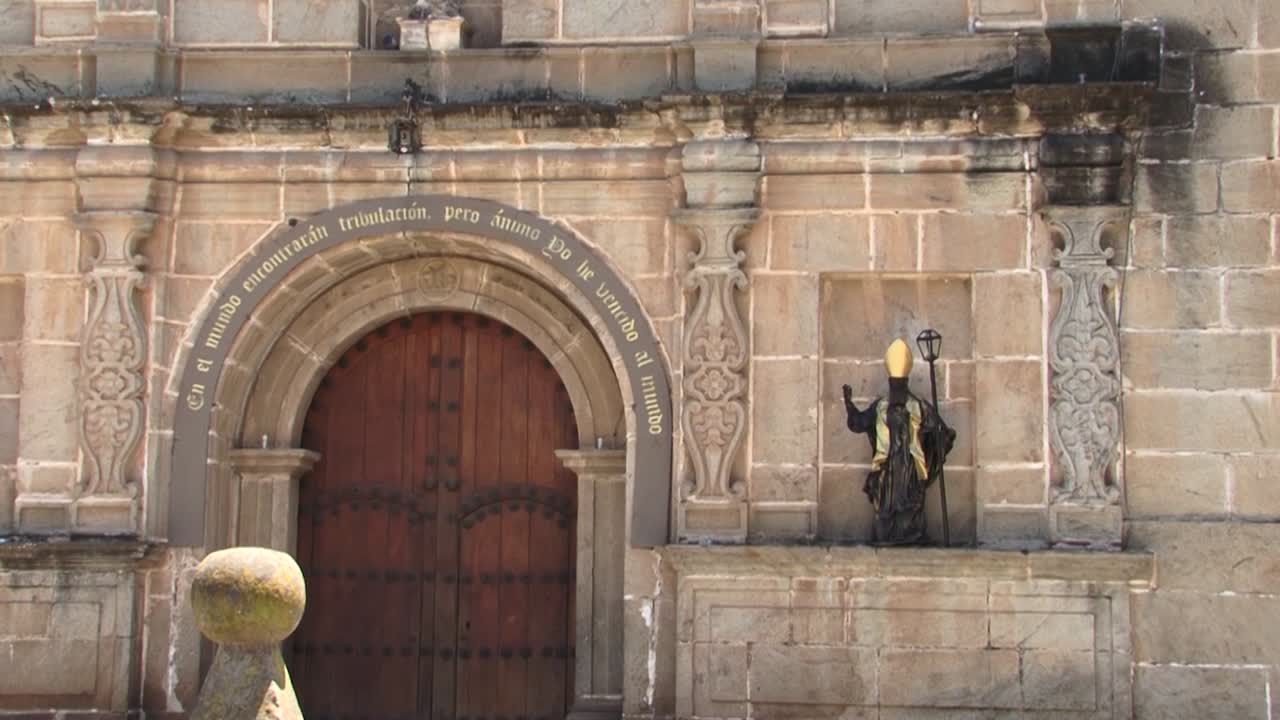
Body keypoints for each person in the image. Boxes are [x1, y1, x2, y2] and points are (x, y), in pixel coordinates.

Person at [842, 338, 955, 545]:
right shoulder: (881, 407)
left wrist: (940, 439)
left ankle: (911, 537)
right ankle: (887, 537)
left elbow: (941, 431)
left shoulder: (918, 406)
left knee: (911, 507)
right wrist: (849, 405)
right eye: (894, 385)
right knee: (885, 508)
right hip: (887, 468)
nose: (897, 388)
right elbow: (858, 423)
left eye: (899, 385)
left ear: (905, 383)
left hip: (910, 467)